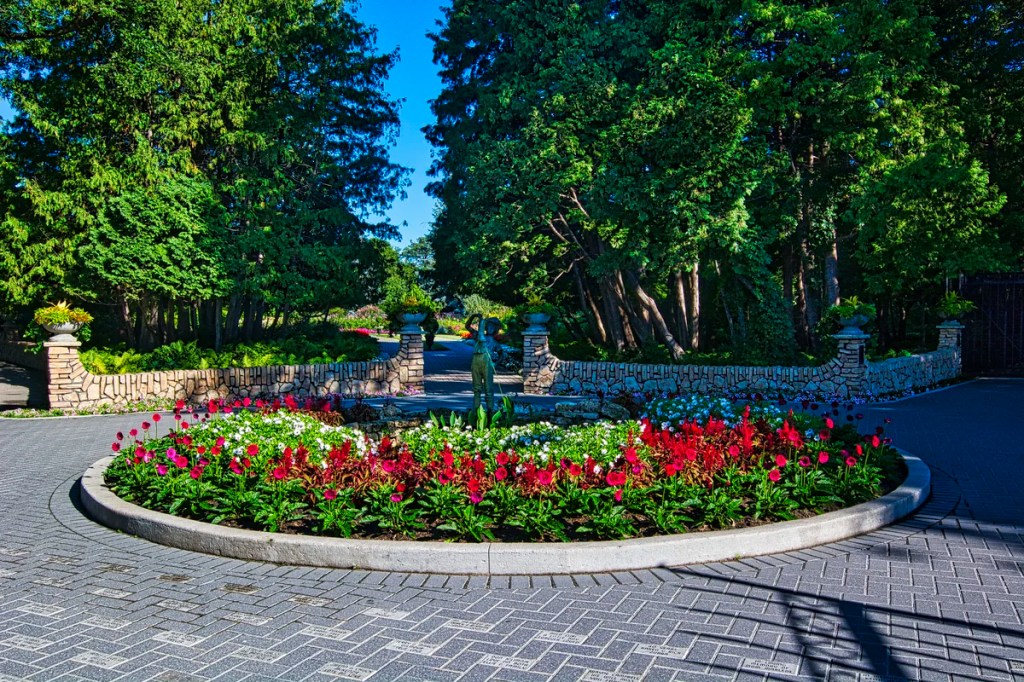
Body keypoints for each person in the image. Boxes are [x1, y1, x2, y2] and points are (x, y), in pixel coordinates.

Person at [465, 313, 502, 419]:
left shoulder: (495, 343)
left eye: (493, 327)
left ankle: (490, 413)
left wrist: (496, 363)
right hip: (476, 361)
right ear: (486, 327)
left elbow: (501, 355)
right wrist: (474, 316)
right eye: (489, 326)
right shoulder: (478, 336)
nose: (490, 328)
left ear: (495, 329)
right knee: (476, 389)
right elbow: (467, 326)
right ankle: (475, 412)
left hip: (487, 363)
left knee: (488, 389)